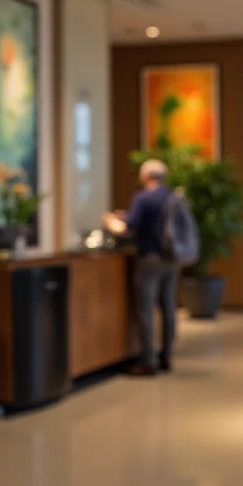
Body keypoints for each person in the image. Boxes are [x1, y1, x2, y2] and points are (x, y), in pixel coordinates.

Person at [103, 159, 178, 377]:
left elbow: (127, 229)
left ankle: (148, 360)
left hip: (150, 259)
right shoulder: (172, 197)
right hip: (171, 258)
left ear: (145, 176)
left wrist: (111, 222)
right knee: (168, 309)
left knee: (145, 309)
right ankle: (167, 355)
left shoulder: (143, 198)